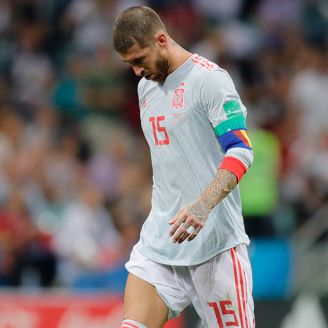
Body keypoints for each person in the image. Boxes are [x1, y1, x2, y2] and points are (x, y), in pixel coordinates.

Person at [113, 6, 255, 328]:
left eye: (139, 60)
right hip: (161, 244)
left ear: (162, 40)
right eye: (129, 64)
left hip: (215, 246)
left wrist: (203, 206)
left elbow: (241, 150)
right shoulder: (145, 87)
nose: (136, 71)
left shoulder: (210, 80)